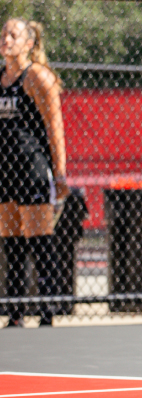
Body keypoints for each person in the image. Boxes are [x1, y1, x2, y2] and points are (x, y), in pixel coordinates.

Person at [0, 18, 67, 327]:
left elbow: (55, 127)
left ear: (28, 43)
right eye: (3, 34)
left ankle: (48, 310)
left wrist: (60, 172)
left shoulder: (37, 76)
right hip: (5, 171)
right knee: (11, 243)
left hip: (31, 169)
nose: (6, 39)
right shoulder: (1, 77)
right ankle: (15, 313)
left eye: (13, 35)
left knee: (39, 240)